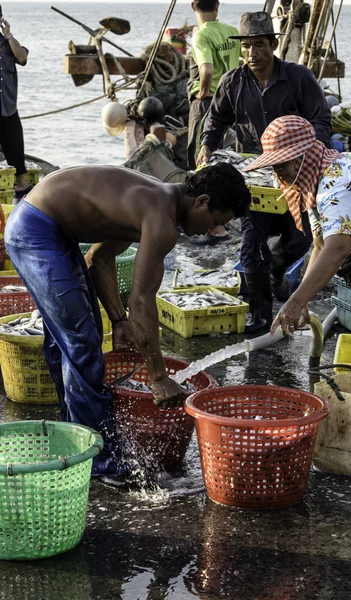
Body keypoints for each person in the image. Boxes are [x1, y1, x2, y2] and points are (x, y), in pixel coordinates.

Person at [5, 164, 251, 486]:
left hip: (50, 229)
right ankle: (100, 462)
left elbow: (100, 259)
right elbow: (142, 300)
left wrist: (118, 320)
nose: (210, 230)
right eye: (216, 221)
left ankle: (73, 433)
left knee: (74, 338)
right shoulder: (160, 219)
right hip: (36, 231)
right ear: (202, 201)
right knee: (81, 343)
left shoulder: (158, 202)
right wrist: (159, 377)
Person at [196, 11, 332, 334]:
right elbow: (215, 120)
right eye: (246, 47)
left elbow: (322, 121)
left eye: (259, 45)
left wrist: (305, 154)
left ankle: (276, 273)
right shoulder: (232, 82)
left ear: (273, 44)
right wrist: (206, 146)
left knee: (300, 240)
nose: (252, 53)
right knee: (252, 243)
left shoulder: (299, 78)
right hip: (256, 180)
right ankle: (260, 315)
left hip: (296, 177)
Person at [245, 115, 351, 380]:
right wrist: (303, 298)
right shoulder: (317, 179)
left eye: (279, 163)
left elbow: (338, 249)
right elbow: (321, 243)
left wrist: (295, 302)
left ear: (299, 158)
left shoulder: (335, 184)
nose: (275, 171)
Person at [187, 0, 240, 246]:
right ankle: (221, 222)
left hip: (208, 102)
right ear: (217, 5)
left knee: (201, 160)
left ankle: (213, 227)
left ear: (192, 6)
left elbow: (206, 69)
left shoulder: (201, 36)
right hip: (230, 102)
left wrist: (202, 92)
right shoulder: (231, 32)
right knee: (221, 160)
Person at [0, 10, 31, 197]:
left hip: (8, 107)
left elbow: (22, 58)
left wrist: (9, 35)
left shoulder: (9, 44)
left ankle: (22, 186)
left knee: (16, 148)